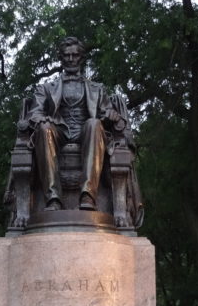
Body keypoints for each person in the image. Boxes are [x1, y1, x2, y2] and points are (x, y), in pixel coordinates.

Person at [25, 37, 126, 211]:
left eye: (75, 55)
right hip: (59, 130)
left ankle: (88, 195)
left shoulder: (97, 88)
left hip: (86, 132)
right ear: (61, 58)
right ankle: (53, 198)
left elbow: (106, 113)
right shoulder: (47, 88)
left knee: (94, 124)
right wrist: (43, 120)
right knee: (44, 128)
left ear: (81, 58)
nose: (71, 59)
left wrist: (111, 115)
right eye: (66, 56)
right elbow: (34, 113)